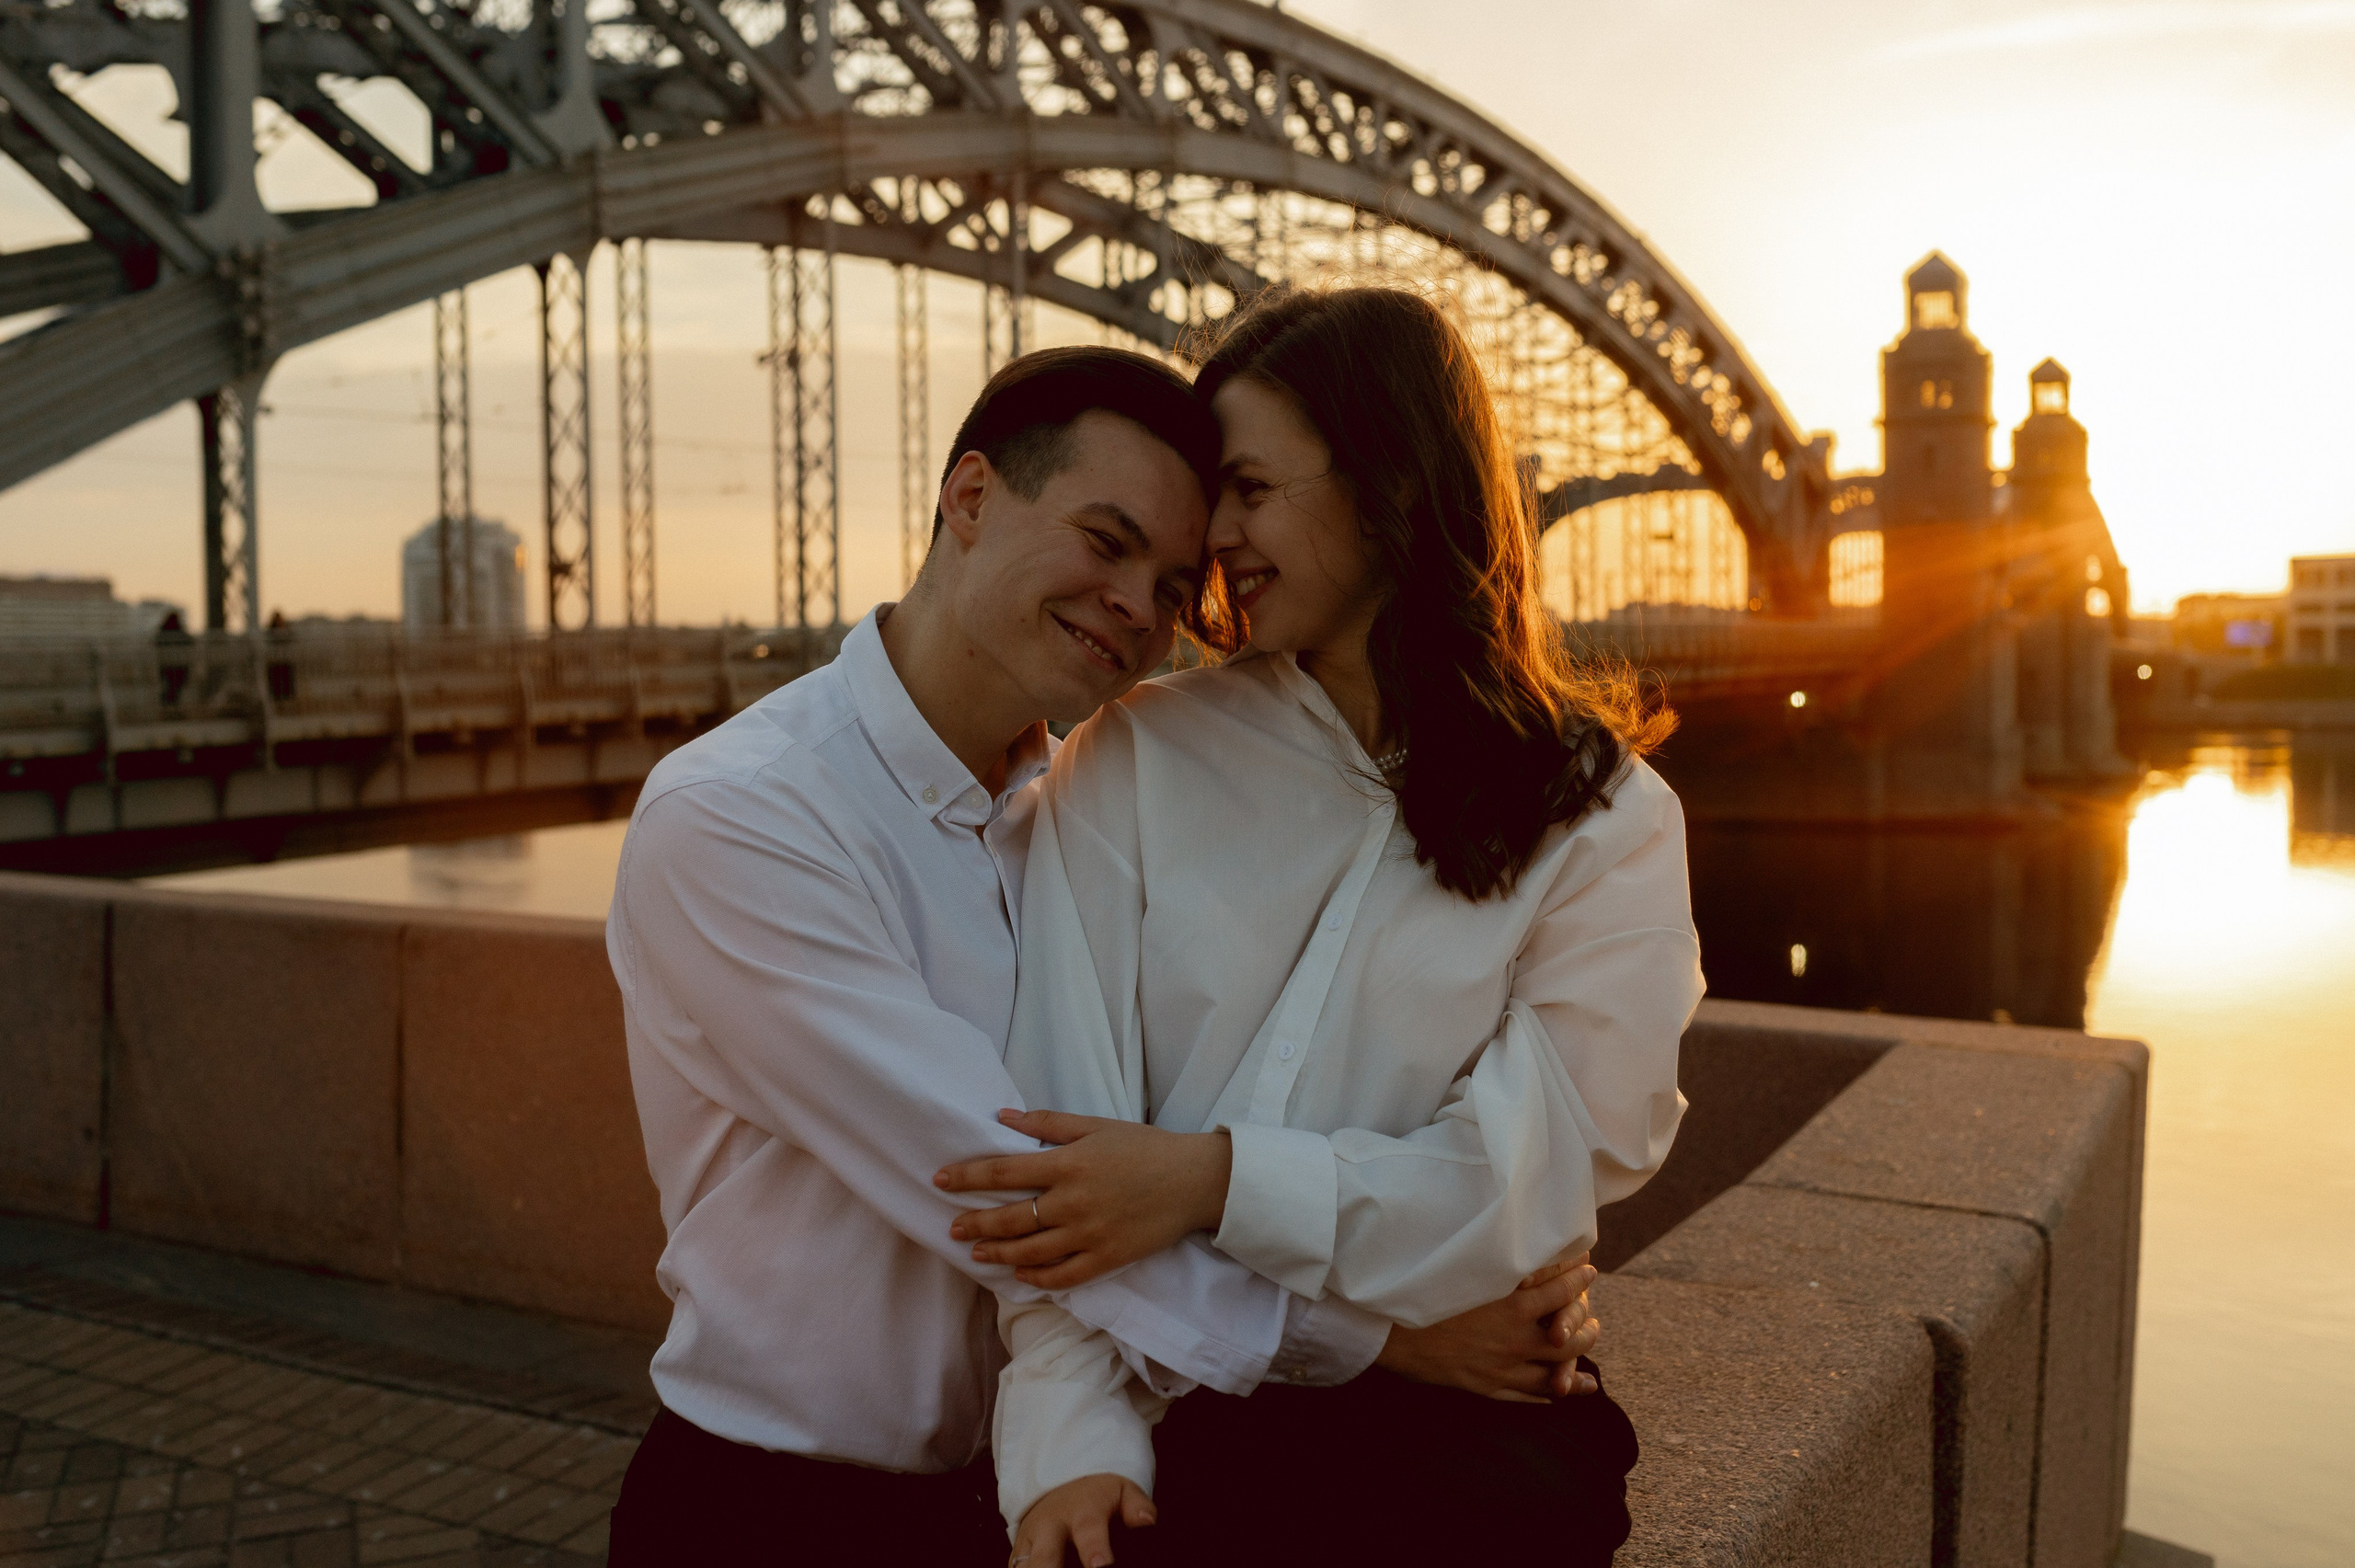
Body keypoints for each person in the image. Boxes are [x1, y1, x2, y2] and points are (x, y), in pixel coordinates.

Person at [603, 346, 1601, 1563]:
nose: (1137, 606)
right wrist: (1389, 1339)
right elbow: (1019, 1198)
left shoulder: (1080, 810)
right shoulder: (743, 816)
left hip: (1035, 1485)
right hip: (777, 1510)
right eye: (1105, 541)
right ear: (971, 497)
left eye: (1176, 585)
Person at [933, 288, 1702, 1567]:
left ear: (1391, 486)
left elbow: (1522, 1186)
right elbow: (1063, 1156)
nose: (1213, 538)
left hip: (1462, 1442)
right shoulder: (1134, 759)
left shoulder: (1606, 821)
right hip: (1170, 1406)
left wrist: (1204, 1181)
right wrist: (1068, 1440)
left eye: (1249, 489)